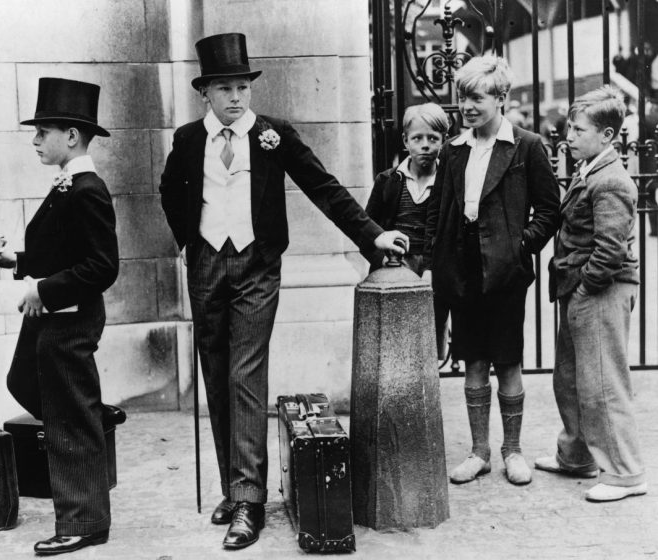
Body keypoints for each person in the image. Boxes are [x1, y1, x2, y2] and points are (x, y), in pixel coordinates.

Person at [159, 33, 408, 550]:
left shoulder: (273, 134)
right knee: (216, 372)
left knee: (246, 373)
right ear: (205, 92)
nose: (235, 97)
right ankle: (235, 483)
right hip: (206, 264)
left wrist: (372, 235)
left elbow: (324, 188)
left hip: (256, 266)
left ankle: (249, 501)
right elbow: (168, 191)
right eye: (223, 87)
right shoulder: (187, 140)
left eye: (242, 87)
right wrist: (189, 240)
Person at [0, 77, 119, 555]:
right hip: (51, 315)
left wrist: (40, 288)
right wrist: (16, 264)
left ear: (72, 137)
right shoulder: (66, 185)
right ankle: (95, 416)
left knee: (65, 415)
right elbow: (60, 250)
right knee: (23, 382)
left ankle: (84, 521)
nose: (35, 140)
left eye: (43, 131)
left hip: (70, 318)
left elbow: (102, 267)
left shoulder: (87, 190)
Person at [423, 55, 560, 486]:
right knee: (474, 362)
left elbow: (549, 210)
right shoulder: (453, 150)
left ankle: (512, 450)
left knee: (508, 361)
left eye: (477, 97)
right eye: (463, 96)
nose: (467, 105)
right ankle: (479, 451)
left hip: (504, 272)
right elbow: (439, 212)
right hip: (461, 268)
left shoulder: (526, 146)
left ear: (501, 98)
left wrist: (521, 246)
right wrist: (435, 260)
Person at [535, 86, 646, 502]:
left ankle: (625, 473)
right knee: (571, 377)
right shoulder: (591, 170)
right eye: (570, 128)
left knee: (602, 382)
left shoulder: (611, 181)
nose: (569, 136)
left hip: (600, 290)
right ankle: (577, 456)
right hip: (583, 288)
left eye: (578, 130)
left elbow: (611, 248)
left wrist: (585, 289)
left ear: (606, 136)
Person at [364, 102, 450, 358]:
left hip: (432, 273)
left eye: (433, 138)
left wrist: (433, 269)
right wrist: (383, 263)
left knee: (428, 347)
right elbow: (368, 230)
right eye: (417, 138)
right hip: (393, 269)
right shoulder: (388, 181)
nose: (425, 145)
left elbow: (448, 233)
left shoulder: (447, 182)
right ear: (405, 140)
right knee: (393, 343)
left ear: (443, 140)